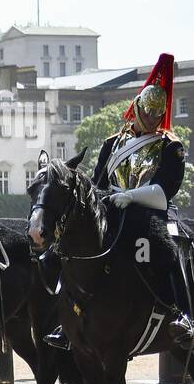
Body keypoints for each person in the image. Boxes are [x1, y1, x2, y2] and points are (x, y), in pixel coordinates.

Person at [45, 53, 192, 350]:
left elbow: (164, 192)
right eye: (146, 112)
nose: (150, 120)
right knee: (67, 247)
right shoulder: (113, 143)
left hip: (151, 213)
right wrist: (105, 200)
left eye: (156, 115)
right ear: (136, 107)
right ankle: (66, 320)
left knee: (169, 247)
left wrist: (130, 196)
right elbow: (99, 183)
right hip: (112, 209)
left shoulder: (170, 146)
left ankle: (183, 313)